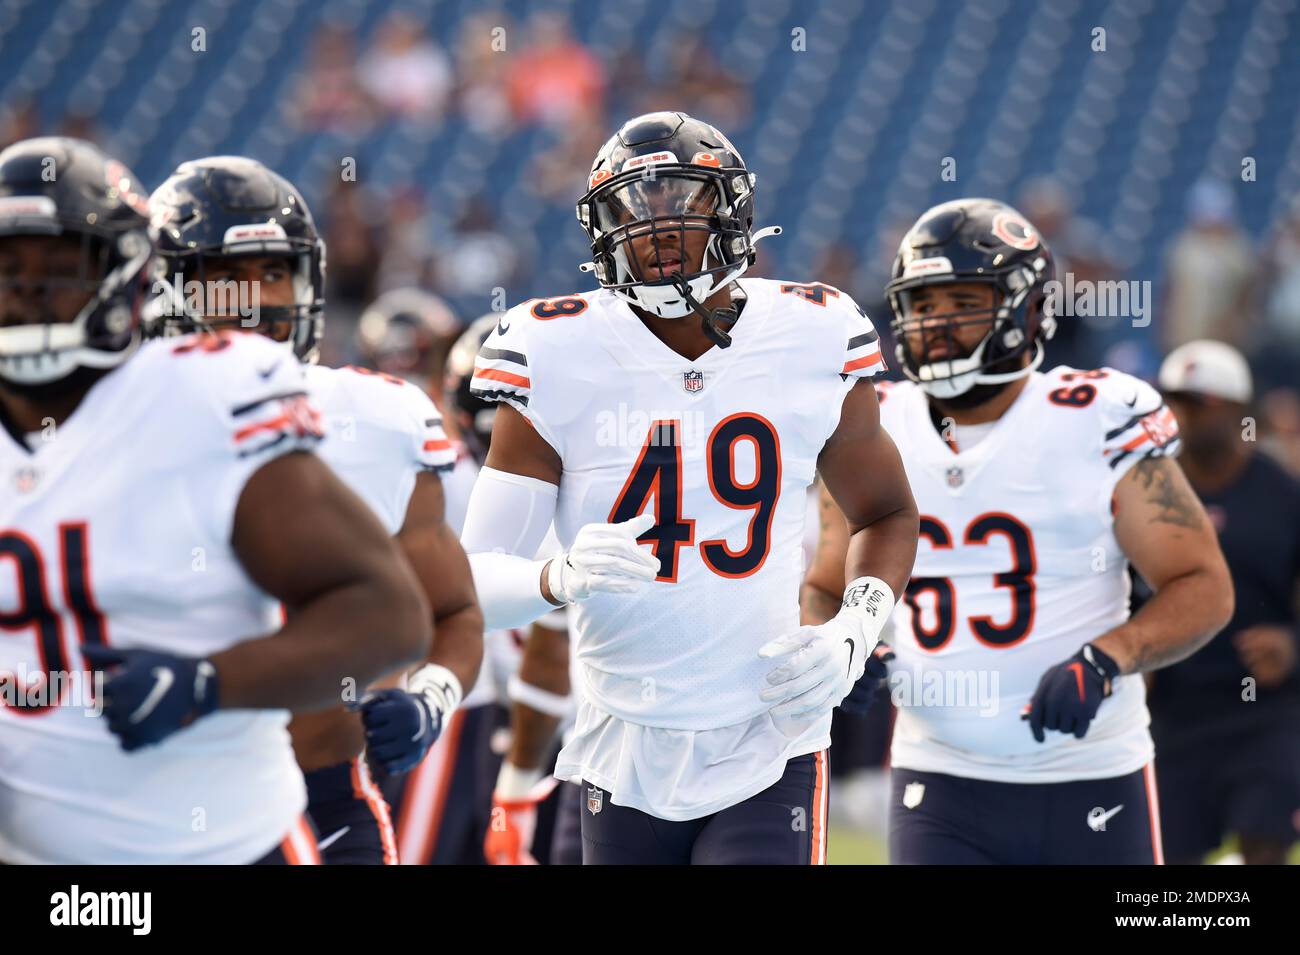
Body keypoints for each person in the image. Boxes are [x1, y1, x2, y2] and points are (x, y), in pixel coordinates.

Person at [460, 111, 919, 865]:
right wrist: (555, 577)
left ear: (732, 210)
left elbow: (887, 512)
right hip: (622, 739)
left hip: (769, 732)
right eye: (634, 210)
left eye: (681, 200)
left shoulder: (813, 331)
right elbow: (469, 574)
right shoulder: (551, 348)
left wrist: (854, 631)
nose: (658, 228)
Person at [0, 137, 430, 864]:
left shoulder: (208, 395)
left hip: (231, 844)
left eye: (61, 267)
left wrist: (210, 681)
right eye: (9, 270)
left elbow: (388, 612)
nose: (29, 293)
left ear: (126, 274)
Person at [806, 198, 1234, 865]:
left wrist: (1109, 655)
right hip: (936, 777)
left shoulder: (1096, 415)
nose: (937, 322)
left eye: (962, 301)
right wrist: (848, 646)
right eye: (922, 304)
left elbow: (1202, 584)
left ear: (1028, 308)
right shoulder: (875, 424)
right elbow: (826, 586)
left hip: (1090, 774)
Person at [147, 155, 482, 864]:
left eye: (273, 272)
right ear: (166, 286)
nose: (256, 299)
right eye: (225, 277)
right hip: (147, 810)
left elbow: (455, 610)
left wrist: (432, 695)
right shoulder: (102, 427)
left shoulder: (377, 421)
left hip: (323, 801)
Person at [1149, 339, 1300, 864]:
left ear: (1237, 410)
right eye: (1174, 400)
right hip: (1171, 710)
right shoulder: (1145, 493)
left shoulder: (1282, 495)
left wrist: (1292, 643)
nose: (1182, 414)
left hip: (1264, 710)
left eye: (1198, 402)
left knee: (1265, 846)